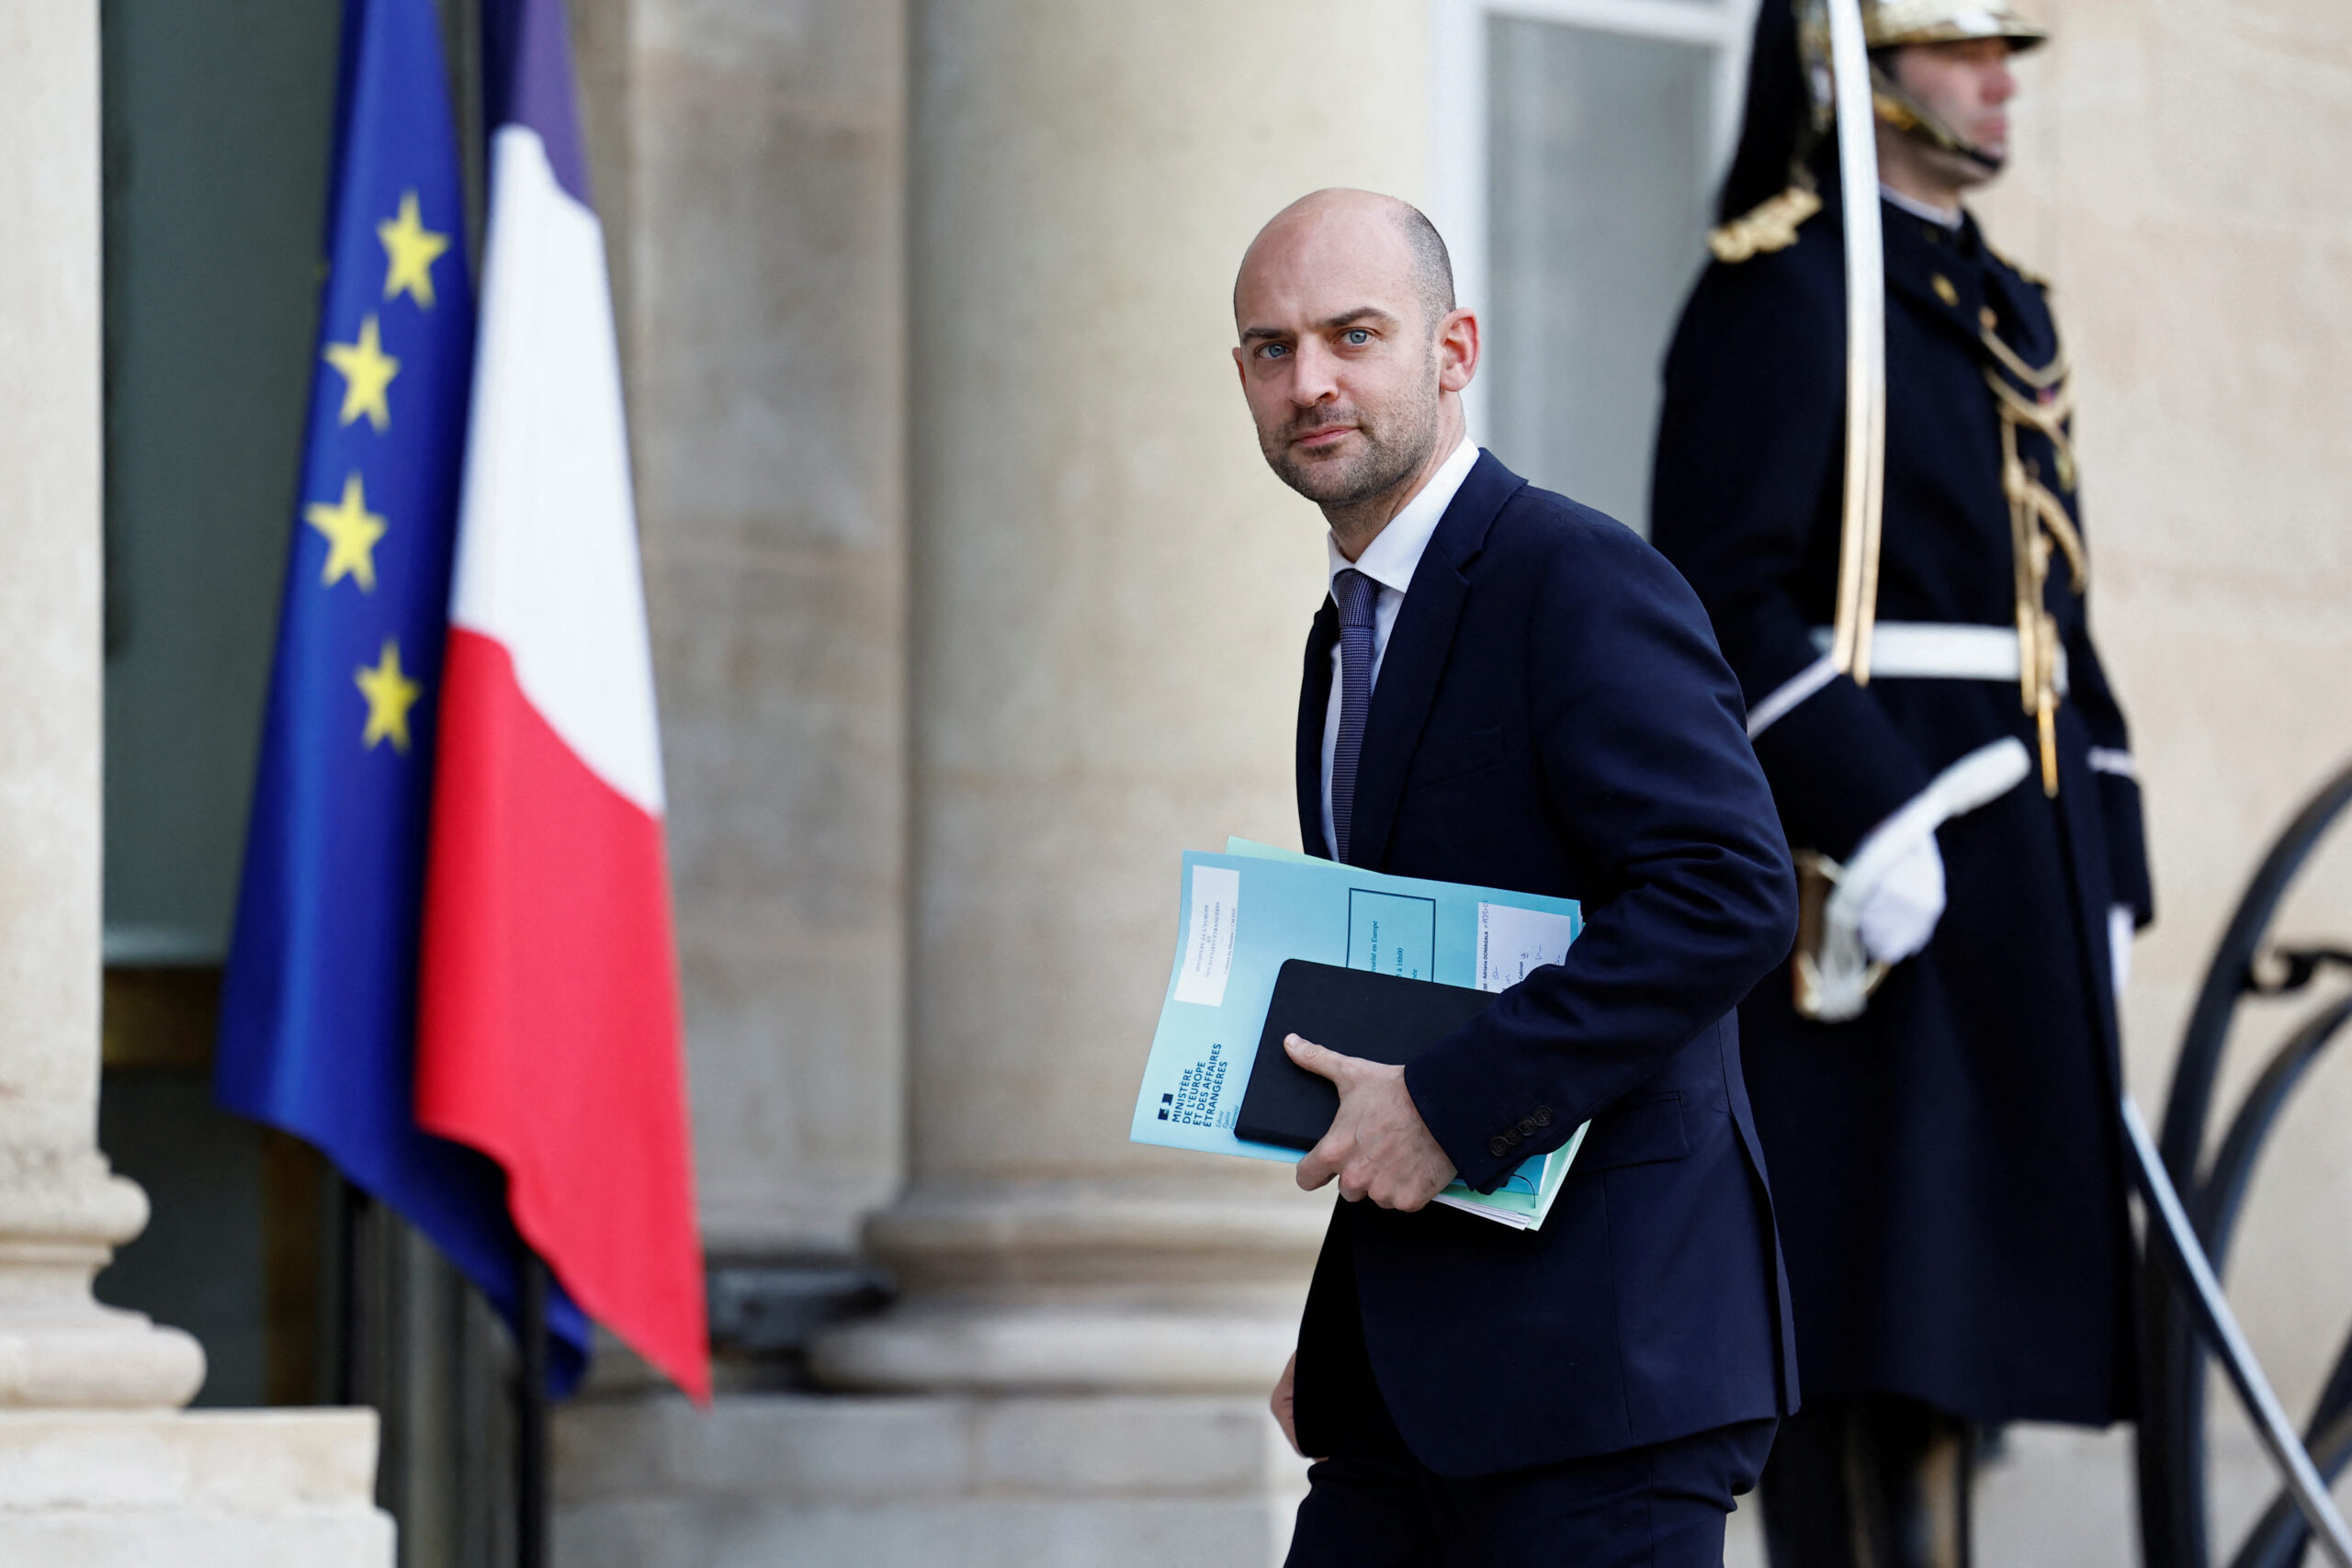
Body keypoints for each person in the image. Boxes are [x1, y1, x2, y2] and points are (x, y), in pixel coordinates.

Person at [1649, 3, 2154, 1563]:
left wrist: (2113, 857)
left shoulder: (2007, 306)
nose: (2001, 78)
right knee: (1878, 1331)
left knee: (1973, 1340)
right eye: (1962, 47)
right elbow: (1720, 593)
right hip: (1871, 884)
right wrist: (1869, 803)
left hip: (2019, 869)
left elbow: (2057, 608)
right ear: (1850, 65)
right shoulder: (1786, 288)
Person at [1233, 187, 1800, 1567]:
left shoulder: (1577, 576)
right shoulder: (1344, 633)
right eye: (1271, 348)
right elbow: (1402, 1004)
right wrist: (1349, 1335)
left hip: (1606, 1373)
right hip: (1411, 1393)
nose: (1310, 383)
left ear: (1454, 350)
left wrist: (1449, 1104)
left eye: (1354, 335)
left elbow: (1727, 891)